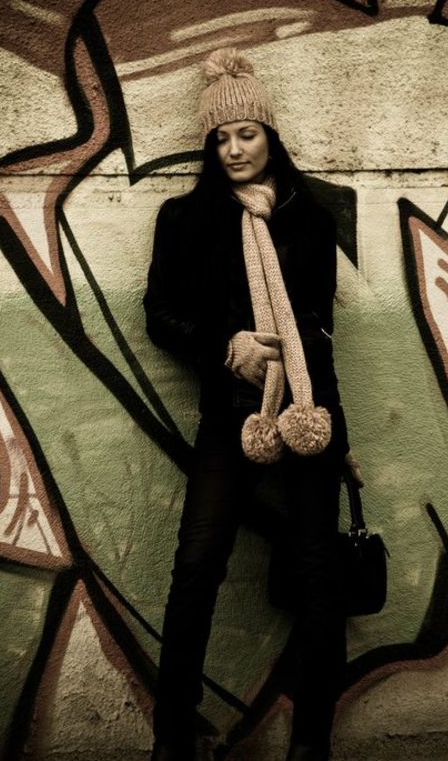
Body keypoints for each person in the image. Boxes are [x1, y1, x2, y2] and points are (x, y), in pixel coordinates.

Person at [144, 46, 363, 761]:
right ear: (209, 147)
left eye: (248, 133)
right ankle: (172, 738)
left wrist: (336, 433)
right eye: (221, 138)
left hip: (304, 412)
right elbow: (158, 316)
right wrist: (224, 345)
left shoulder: (311, 220)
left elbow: (319, 332)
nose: (235, 149)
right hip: (230, 416)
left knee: (319, 573)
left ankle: (311, 743)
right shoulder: (185, 219)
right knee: (197, 564)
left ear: (270, 135)